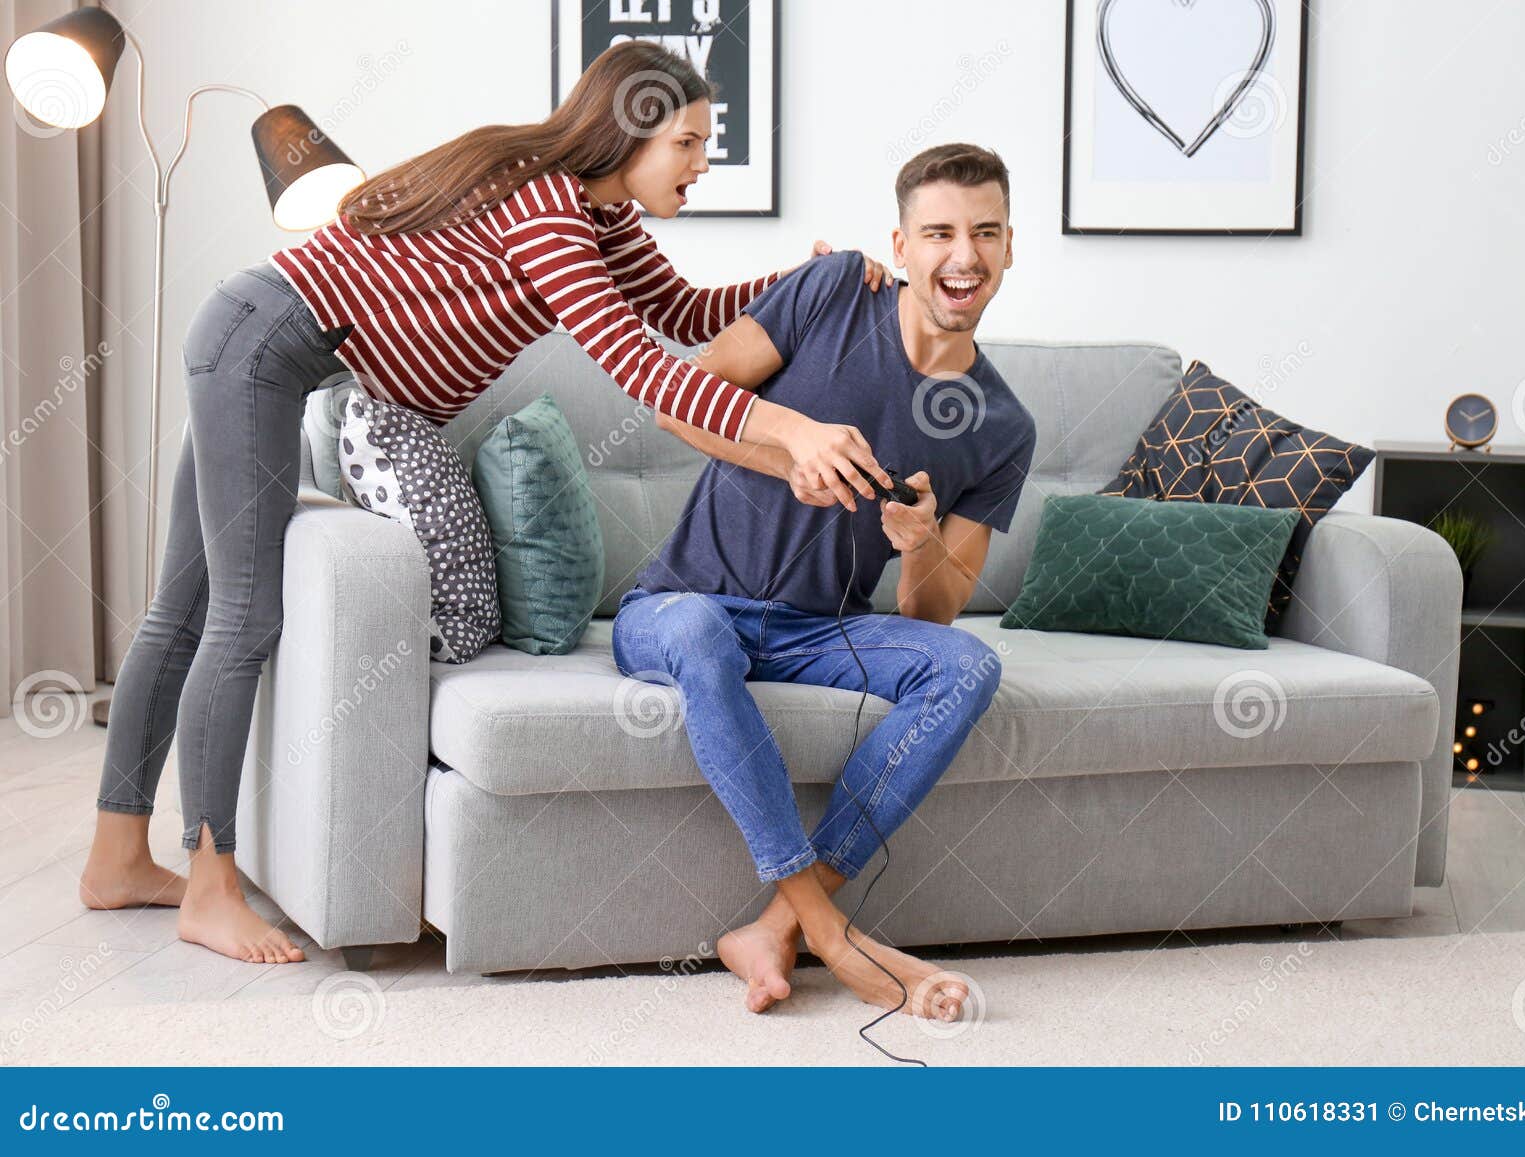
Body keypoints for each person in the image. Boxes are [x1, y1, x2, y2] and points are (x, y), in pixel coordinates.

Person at [81, 40, 895, 965]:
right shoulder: (547, 207)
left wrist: (808, 281)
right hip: (262, 343)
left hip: (265, 343)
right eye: (691, 143)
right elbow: (640, 369)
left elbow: (684, 311)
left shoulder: (602, 216)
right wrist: (792, 430)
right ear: (631, 133)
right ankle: (210, 882)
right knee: (236, 610)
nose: (704, 163)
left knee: (184, 606)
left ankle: (115, 860)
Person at [614, 143, 1037, 1019]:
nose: (965, 254)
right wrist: (788, 451)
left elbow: (934, 613)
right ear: (903, 243)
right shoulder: (838, 289)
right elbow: (677, 399)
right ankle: (831, 932)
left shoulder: (1001, 425)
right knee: (699, 630)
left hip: (816, 630)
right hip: (679, 605)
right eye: (941, 233)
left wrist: (917, 540)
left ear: (1009, 247)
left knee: (968, 667)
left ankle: (773, 926)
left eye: (986, 233)